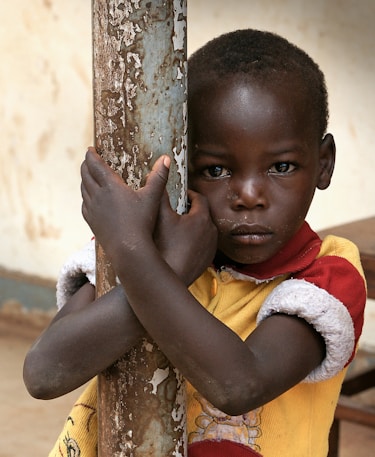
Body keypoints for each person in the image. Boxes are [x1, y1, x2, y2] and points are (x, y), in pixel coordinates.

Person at [23, 29, 367, 457]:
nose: (248, 196)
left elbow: (240, 383)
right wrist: (164, 263)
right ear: (184, 167)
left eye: (281, 166)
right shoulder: (153, 249)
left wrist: (139, 256)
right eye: (217, 170)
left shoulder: (326, 275)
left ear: (324, 164)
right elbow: (44, 373)